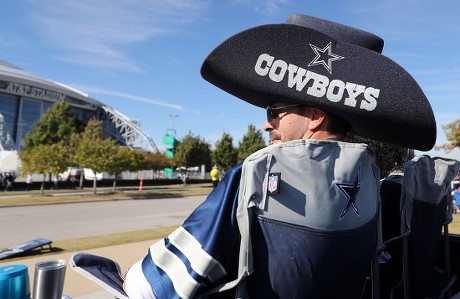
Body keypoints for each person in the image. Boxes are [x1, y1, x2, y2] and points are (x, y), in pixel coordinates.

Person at [72, 14, 437, 299]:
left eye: (274, 111)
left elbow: (149, 288)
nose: (266, 125)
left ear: (314, 116)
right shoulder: (373, 181)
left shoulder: (257, 176)